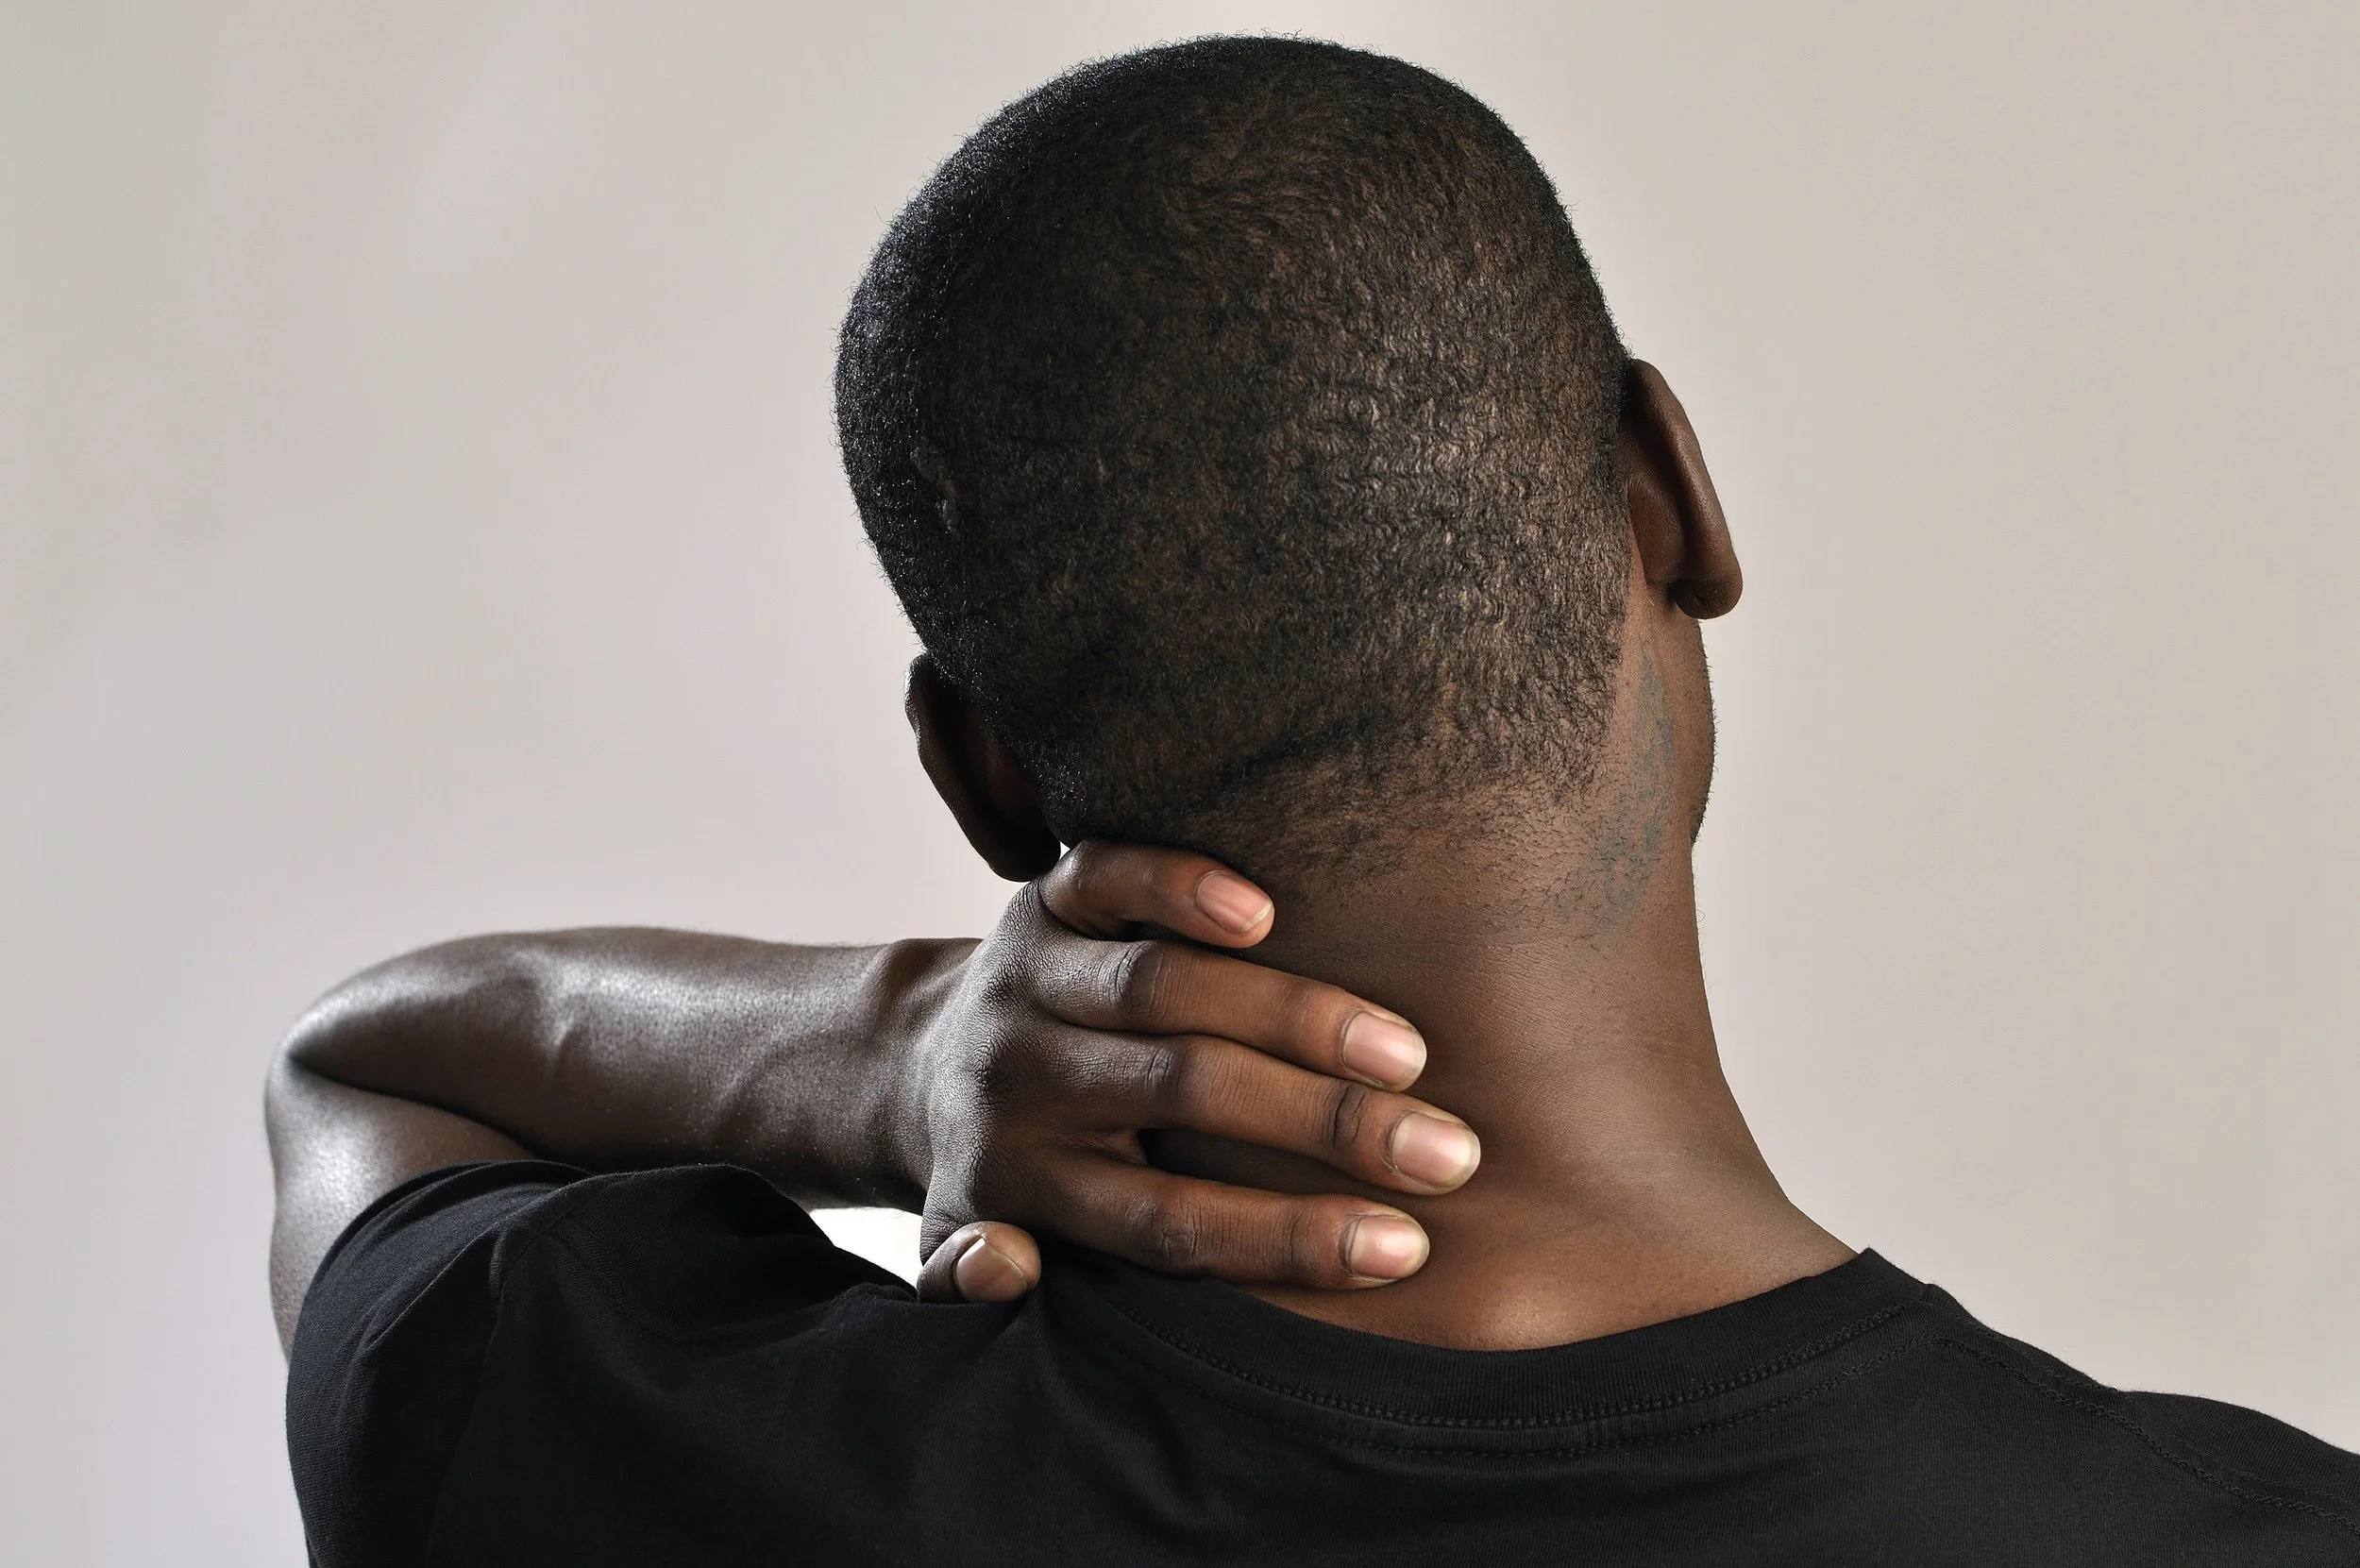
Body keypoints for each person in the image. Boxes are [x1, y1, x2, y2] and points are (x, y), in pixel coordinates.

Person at [269, 36, 2360, 1566]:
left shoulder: (618, 1452)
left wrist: (891, 1053)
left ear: (983, 772)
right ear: (1669, 497)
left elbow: (368, 1066)